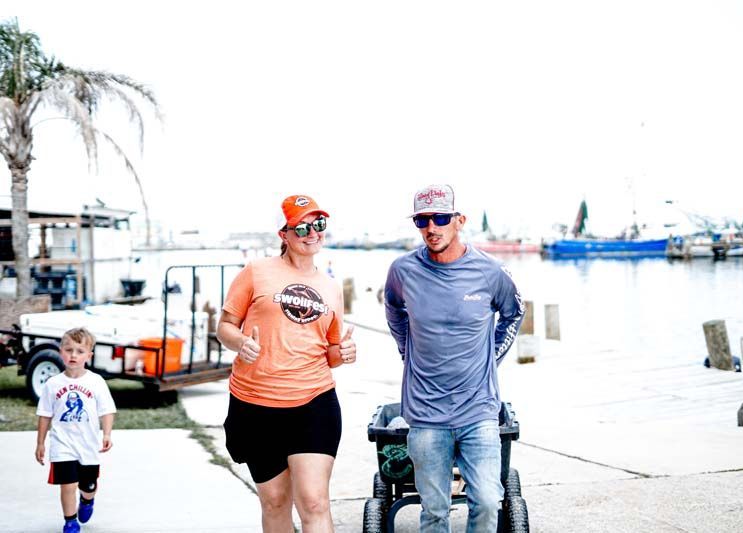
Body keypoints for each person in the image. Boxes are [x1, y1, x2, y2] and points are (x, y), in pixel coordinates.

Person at [384, 184, 525, 532]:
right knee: (434, 511)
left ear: (459, 220)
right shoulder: (402, 271)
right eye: (422, 220)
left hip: (478, 409)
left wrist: (491, 356)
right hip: (426, 413)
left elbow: (514, 312)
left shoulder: (490, 272)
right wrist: (406, 349)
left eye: (441, 218)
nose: (432, 227)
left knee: (489, 500)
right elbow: (393, 308)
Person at [217, 194, 357, 533]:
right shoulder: (256, 271)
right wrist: (240, 343)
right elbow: (224, 326)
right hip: (255, 405)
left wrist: (345, 352)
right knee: (275, 501)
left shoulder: (331, 288)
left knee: (314, 502)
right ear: (284, 234)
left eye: (319, 225)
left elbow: (331, 354)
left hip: (314, 402)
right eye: (302, 227)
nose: (312, 233)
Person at [35, 327, 116, 533]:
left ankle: (87, 501)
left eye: (80, 351)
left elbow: (107, 410)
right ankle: (70, 521)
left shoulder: (96, 382)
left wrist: (106, 433)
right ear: (60, 351)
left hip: (88, 445)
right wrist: (40, 443)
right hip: (62, 444)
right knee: (67, 485)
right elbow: (45, 414)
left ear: (89, 355)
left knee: (88, 486)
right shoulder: (52, 384)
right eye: (69, 349)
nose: (73, 355)